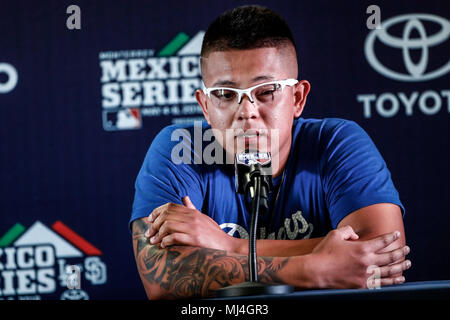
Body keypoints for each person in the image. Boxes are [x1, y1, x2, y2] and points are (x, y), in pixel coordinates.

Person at [130, 5, 411, 300]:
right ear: (205, 107)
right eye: (226, 95)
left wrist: (228, 246)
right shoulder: (181, 148)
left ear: (298, 98)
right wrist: (314, 270)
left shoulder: (336, 142)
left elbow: (382, 254)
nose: (246, 113)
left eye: (266, 91)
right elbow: (161, 277)